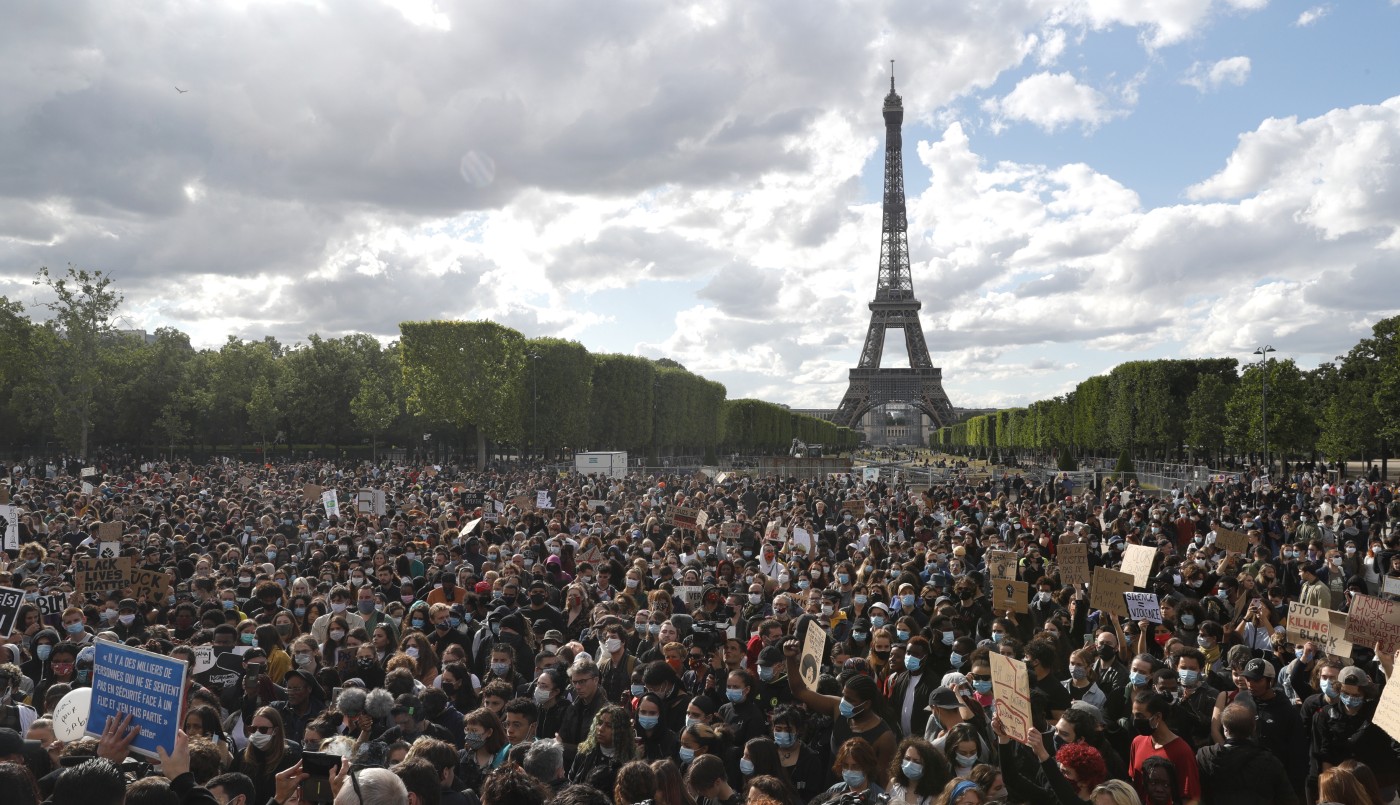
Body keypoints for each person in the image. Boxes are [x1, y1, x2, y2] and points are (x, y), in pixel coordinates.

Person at [783, 637, 897, 786]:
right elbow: (799, 691)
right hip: (832, 792)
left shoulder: (884, 737)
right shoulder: (837, 708)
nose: (844, 701)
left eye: (850, 699)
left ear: (867, 704)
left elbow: (885, 780)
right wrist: (790, 659)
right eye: (843, 695)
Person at [1194, 703, 1297, 805]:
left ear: (1225, 730)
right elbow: (1287, 799)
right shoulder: (1270, 762)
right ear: (1253, 729)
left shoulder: (1204, 757)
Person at [1126, 692, 1199, 805]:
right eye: (1134, 715)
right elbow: (1135, 783)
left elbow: (1190, 797)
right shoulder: (1137, 742)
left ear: (1157, 717)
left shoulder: (1182, 751)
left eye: (1140, 716)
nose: (1135, 721)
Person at [886, 736, 952, 805]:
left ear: (928, 767)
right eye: (907, 759)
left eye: (917, 762)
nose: (910, 764)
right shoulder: (894, 783)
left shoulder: (934, 797)